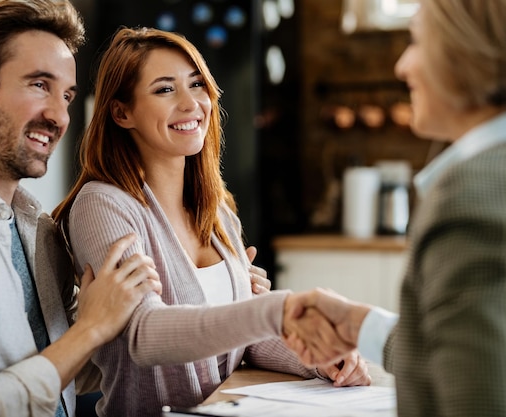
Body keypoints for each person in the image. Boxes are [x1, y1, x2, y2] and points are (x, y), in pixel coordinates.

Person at [51, 26, 370, 417]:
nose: (191, 104)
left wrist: (317, 359)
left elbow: (245, 341)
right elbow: (144, 333)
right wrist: (275, 310)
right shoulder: (104, 205)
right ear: (122, 112)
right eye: (165, 89)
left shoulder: (217, 211)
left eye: (197, 84)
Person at [0, 1, 164, 416]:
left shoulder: (38, 229)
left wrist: (216, 292)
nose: (59, 115)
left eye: (66, 95)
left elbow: (68, 368)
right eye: (38, 85)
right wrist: (92, 328)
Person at [284, 0, 506, 416]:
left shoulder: (474, 200)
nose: (402, 66)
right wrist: (360, 325)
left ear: (466, 53)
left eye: (416, 41)